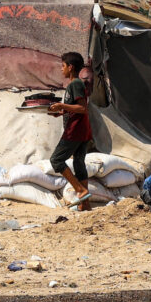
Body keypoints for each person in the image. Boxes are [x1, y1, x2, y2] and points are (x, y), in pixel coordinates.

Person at [48, 52, 93, 211]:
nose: (62, 69)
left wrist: (61, 106)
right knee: (78, 162)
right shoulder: (75, 85)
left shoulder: (75, 84)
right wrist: (60, 112)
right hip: (83, 130)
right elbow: (75, 108)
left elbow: (82, 108)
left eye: (63, 66)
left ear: (70, 67)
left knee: (56, 160)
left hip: (75, 130)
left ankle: (80, 191)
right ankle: (85, 204)